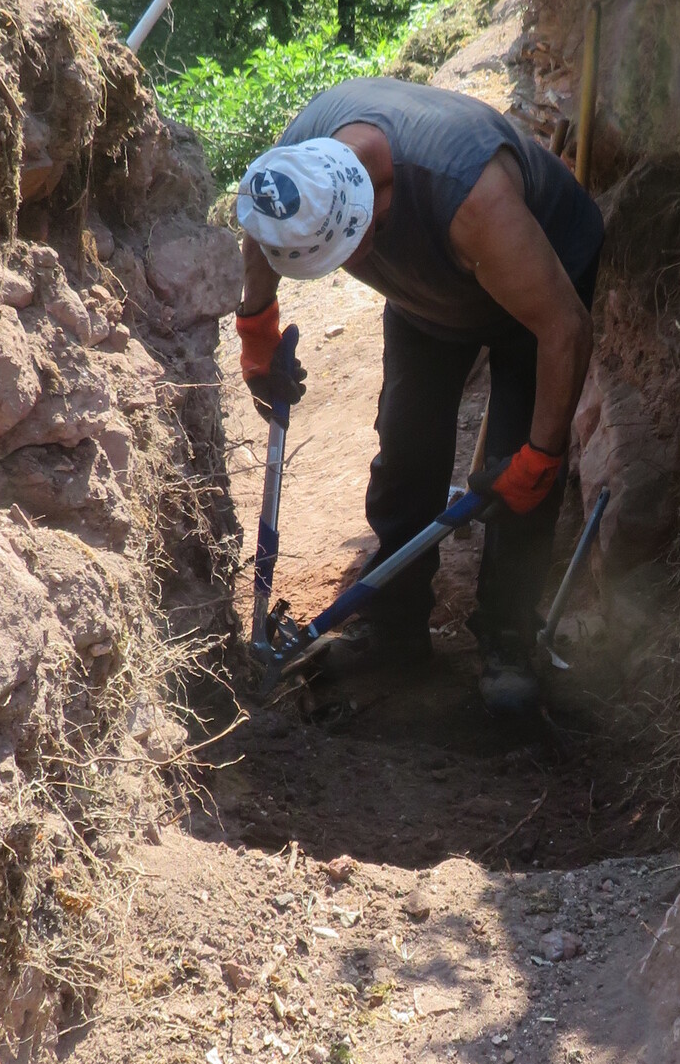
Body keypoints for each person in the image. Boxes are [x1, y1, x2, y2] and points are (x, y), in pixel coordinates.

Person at [233, 77, 603, 710]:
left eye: (352, 249)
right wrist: (256, 326)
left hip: (539, 292)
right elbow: (264, 226)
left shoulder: (471, 201)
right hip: (428, 296)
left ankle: (508, 634)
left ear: (373, 203)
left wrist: (541, 457)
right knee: (406, 449)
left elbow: (564, 329)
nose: (353, 265)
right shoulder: (295, 167)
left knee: (518, 463)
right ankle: (396, 626)